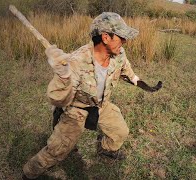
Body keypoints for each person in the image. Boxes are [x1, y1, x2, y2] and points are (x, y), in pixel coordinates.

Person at [22, 12, 143, 179]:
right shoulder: (76, 62)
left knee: (120, 131)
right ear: (106, 37)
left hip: (101, 105)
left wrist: (133, 77)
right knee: (57, 150)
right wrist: (64, 76)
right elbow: (58, 98)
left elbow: (124, 65)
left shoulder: (118, 53)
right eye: (121, 37)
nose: (124, 42)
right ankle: (29, 172)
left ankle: (106, 149)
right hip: (76, 109)